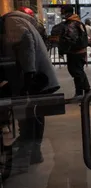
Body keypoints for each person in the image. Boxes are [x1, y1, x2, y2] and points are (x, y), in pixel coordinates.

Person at [1, 10, 60, 166]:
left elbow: (26, 46)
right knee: (34, 115)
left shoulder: (12, 22)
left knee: (29, 116)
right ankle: (32, 151)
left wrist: (28, 77)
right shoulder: (17, 21)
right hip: (36, 77)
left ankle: (29, 151)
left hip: (34, 79)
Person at [58, 5, 91, 97]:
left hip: (74, 52)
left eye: (62, 11)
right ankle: (86, 89)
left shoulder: (71, 23)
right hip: (80, 51)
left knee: (76, 72)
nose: (61, 13)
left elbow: (70, 39)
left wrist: (63, 49)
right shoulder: (77, 21)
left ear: (67, 12)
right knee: (79, 71)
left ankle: (80, 92)